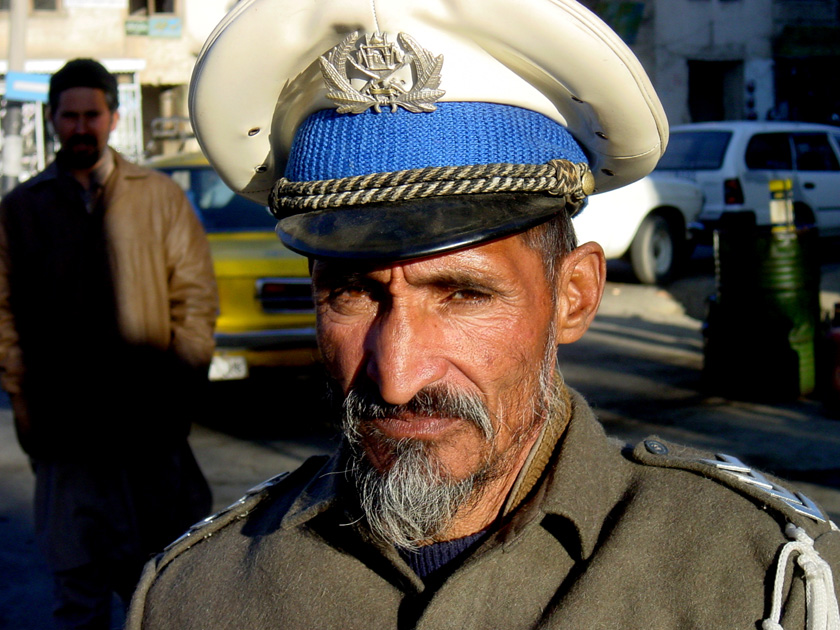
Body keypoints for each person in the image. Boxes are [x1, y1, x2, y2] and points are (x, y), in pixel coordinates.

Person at [128, 1, 840, 628]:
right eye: (351, 294)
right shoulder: (199, 595)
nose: (397, 374)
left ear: (576, 296)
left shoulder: (758, 582)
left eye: (463, 294)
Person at [0, 58, 218, 629]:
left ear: (112, 117)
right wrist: (27, 406)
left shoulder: (160, 199)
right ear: (52, 120)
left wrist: (175, 400)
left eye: (90, 115)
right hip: (65, 444)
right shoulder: (22, 211)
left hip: (150, 442)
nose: (80, 127)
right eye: (68, 116)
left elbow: (194, 303)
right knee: (77, 596)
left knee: (157, 594)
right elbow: (5, 321)